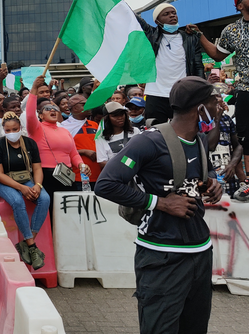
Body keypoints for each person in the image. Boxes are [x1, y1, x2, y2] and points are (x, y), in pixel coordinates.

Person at [95, 76, 222, 334]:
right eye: (214, 101)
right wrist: (160, 203)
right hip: (162, 254)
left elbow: (190, 178)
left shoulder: (198, 139)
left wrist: (211, 183)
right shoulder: (149, 141)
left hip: (200, 251)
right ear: (200, 108)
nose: (219, 105)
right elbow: (106, 184)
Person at [202, 0, 249, 198]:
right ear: (240, 6)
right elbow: (216, 54)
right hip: (248, 91)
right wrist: (199, 36)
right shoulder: (231, 30)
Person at [0, 112, 48, 270]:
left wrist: (37, 185)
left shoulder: (29, 143)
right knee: (17, 201)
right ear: (3, 130)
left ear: (20, 128)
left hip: (26, 179)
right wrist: (21, 188)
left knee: (45, 199)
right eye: (8, 130)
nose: (12, 133)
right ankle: (32, 245)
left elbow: (37, 167)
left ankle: (27, 242)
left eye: (15, 129)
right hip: (4, 182)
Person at [135, 2, 205, 124]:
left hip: (182, 95)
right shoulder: (151, 35)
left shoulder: (190, 38)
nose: (172, 16)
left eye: (174, 13)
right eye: (166, 14)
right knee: (155, 133)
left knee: (185, 132)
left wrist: (201, 91)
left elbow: (198, 66)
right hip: (156, 94)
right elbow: (134, 18)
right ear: (157, 21)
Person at [26, 76, 89, 197]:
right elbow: (29, 114)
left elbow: (73, 154)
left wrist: (81, 165)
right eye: (48, 109)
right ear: (40, 115)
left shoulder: (64, 130)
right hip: (45, 175)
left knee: (67, 210)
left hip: (66, 175)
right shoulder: (36, 129)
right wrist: (34, 89)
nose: (52, 110)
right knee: (50, 210)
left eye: (55, 108)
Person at [60, 93, 100, 188]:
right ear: (74, 108)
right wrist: (84, 152)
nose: (88, 106)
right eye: (83, 104)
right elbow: (61, 152)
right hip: (77, 176)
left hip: (98, 175)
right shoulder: (63, 127)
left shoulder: (95, 125)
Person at [96, 102, 140, 168]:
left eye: (122, 114)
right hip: (118, 175)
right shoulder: (101, 138)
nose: (120, 118)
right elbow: (102, 162)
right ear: (107, 118)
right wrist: (123, 167)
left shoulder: (135, 131)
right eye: (115, 115)